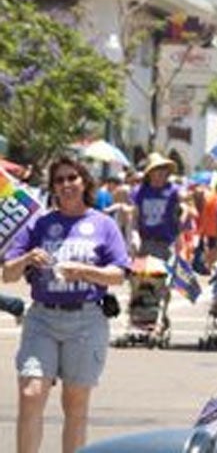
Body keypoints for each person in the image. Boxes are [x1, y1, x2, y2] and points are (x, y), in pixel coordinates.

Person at [1, 156, 130, 453]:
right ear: (53, 188)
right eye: (59, 180)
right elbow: (8, 274)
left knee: (75, 403)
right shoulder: (40, 224)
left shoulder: (103, 224)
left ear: (84, 182)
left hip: (86, 320)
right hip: (43, 319)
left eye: (72, 178)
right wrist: (26, 258)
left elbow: (119, 274)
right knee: (31, 393)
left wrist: (85, 272)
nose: (66, 184)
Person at [131, 153, 182, 261]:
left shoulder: (173, 190)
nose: (162, 173)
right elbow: (135, 217)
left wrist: (179, 236)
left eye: (164, 169)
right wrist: (134, 236)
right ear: (150, 173)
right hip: (145, 243)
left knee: (164, 276)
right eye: (158, 169)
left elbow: (185, 206)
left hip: (166, 244)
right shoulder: (140, 191)